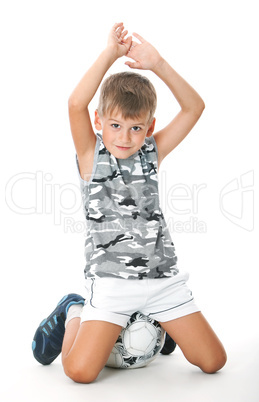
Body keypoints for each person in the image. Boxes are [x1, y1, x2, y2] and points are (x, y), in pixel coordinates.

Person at [32, 22, 227, 383]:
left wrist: (158, 63)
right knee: (79, 372)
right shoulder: (92, 156)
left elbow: (194, 108)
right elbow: (75, 103)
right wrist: (111, 54)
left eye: (135, 127)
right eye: (116, 125)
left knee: (213, 361)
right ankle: (74, 309)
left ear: (149, 128)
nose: (125, 136)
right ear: (99, 122)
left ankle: (157, 323)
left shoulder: (152, 153)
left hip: (162, 279)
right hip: (111, 283)